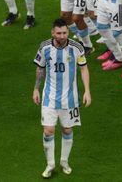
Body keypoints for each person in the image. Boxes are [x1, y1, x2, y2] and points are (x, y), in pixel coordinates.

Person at [33, 18, 91, 178]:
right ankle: (50, 164)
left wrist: (87, 91)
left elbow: (84, 69)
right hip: (49, 97)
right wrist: (36, 89)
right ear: (53, 32)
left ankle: (64, 161)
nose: (62, 36)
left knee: (67, 129)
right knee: (48, 130)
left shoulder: (77, 48)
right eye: (58, 33)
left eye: (65, 32)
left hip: (70, 99)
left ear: (68, 32)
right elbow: (40, 69)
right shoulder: (44, 47)